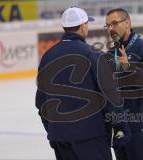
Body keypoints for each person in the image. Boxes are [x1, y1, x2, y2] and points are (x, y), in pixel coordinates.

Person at [35, 7, 130, 160]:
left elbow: (41, 100)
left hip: (60, 137)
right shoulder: (93, 54)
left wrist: (53, 130)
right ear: (83, 26)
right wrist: (120, 128)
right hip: (92, 137)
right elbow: (111, 97)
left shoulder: (47, 57)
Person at [105, 8, 143, 160]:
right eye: (107, 26)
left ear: (127, 23)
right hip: (119, 128)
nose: (111, 29)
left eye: (114, 24)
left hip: (141, 125)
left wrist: (129, 69)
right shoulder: (110, 55)